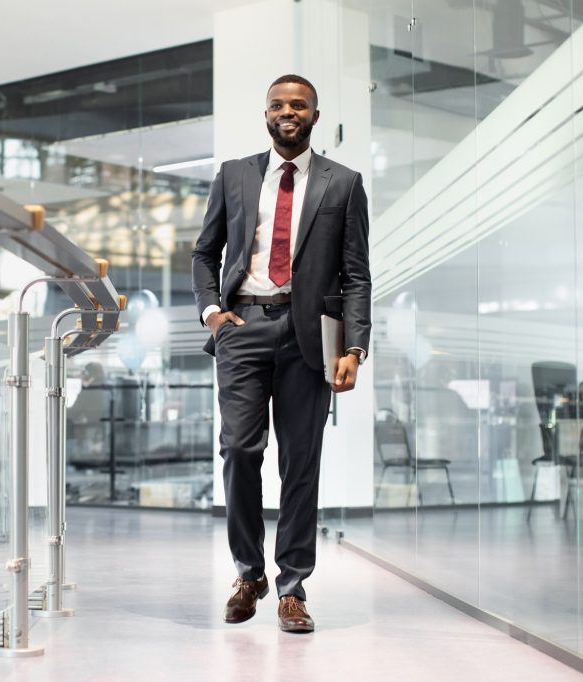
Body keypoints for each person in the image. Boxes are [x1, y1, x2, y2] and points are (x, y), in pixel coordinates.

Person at [191, 74, 371, 633]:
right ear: (265, 114)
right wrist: (213, 314)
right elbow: (204, 253)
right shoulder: (234, 175)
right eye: (277, 104)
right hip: (242, 325)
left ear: (315, 115)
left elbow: (357, 274)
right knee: (239, 451)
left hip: (308, 335)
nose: (287, 112)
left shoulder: (344, 183)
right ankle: (249, 573)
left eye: (298, 105)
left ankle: (292, 585)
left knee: (301, 462)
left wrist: (354, 346)